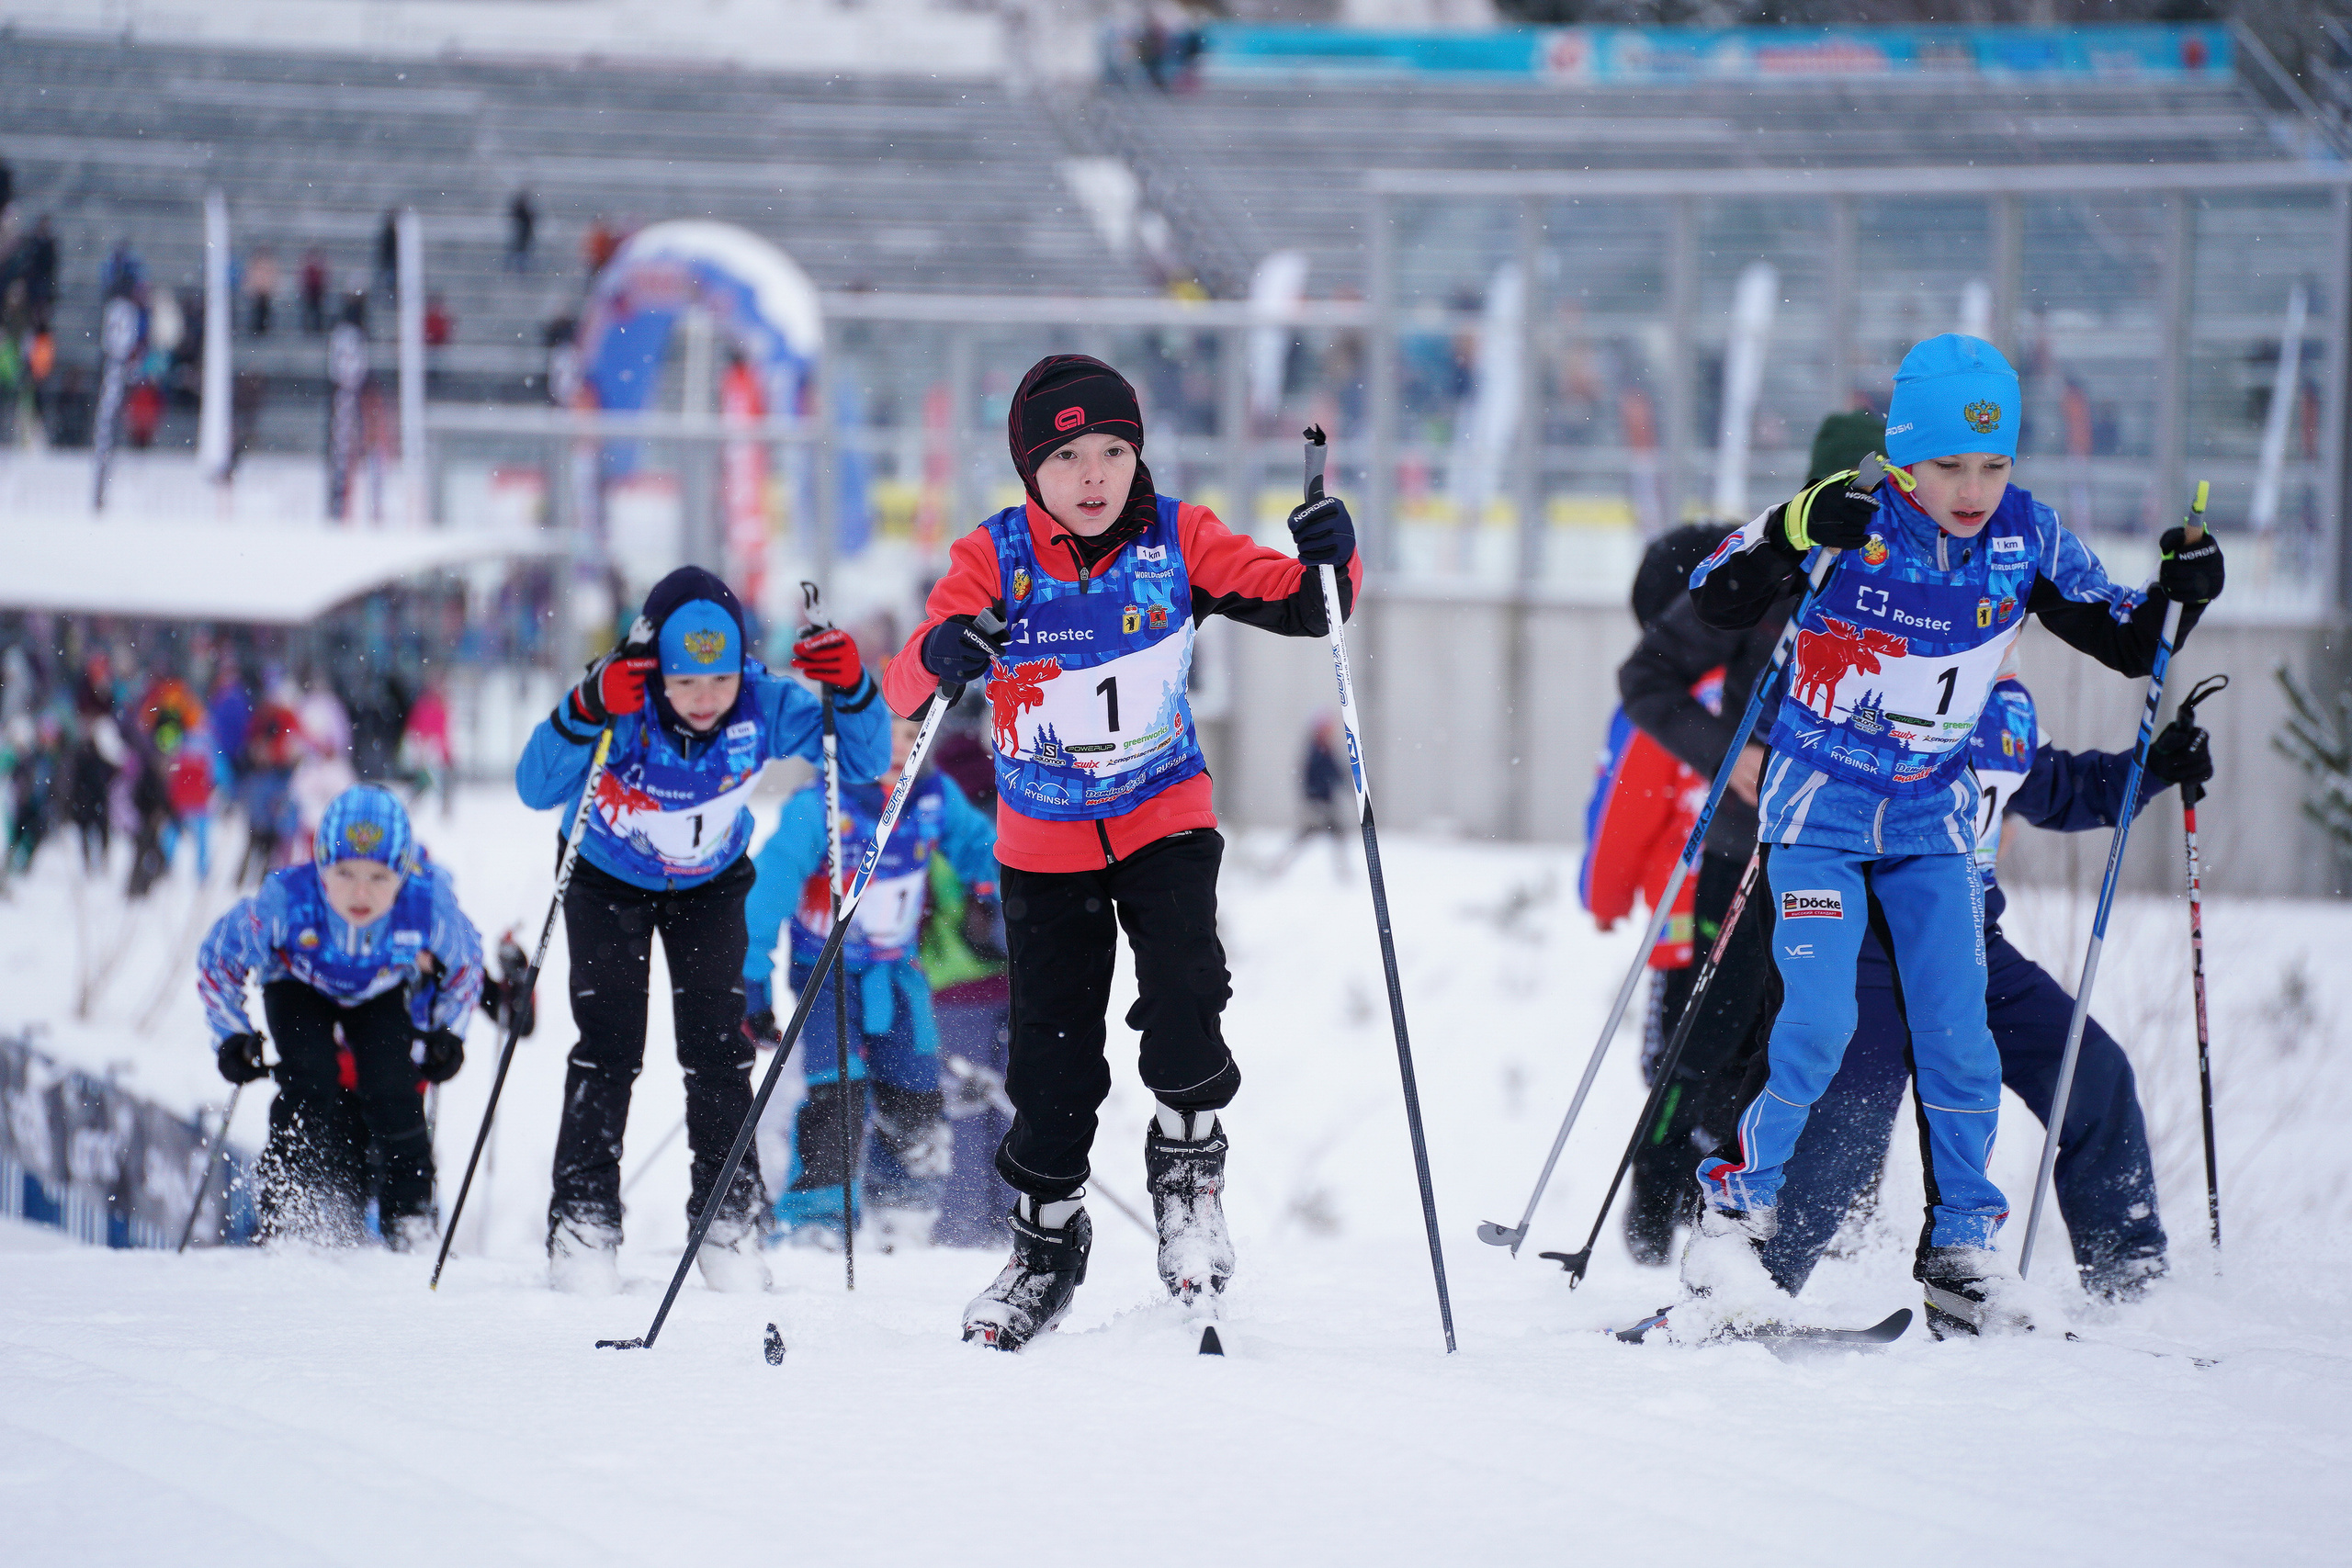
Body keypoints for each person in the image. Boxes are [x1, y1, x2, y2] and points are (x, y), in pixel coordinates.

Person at [1679, 334, 2226, 1336]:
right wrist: (1795, 527)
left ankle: (1961, 1251)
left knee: (1959, 1034)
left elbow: (2127, 637)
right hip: (1819, 813)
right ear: (1903, 455)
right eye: (1947, 465)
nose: (1973, 490)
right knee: (1816, 1025)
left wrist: (2181, 593)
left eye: (1993, 464)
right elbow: (1716, 593)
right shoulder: (1853, 517)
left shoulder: (2024, 536)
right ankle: (1733, 1222)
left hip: (1930, 822)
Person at [881, 354, 1363, 1349]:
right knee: (1052, 1060)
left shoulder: (1179, 537)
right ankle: (1043, 1247)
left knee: (1187, 993)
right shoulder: (994, 556)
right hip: (1044, 842)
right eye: (1066, 458)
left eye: (1111, 449)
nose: (1093, 474)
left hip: (1162, 816)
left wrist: (1333, 555)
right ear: (1030, 471)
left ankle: (1188, 1185)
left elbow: (1306, 603)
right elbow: (904, 685)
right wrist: (940, 653)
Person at [1754, 662, 2209, 1303]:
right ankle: (1755, 1287)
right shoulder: (1890, 677)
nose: (1999, 635)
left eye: (2013, 623)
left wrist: (2153, 766)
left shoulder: (2007, 708)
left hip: (1968, 941)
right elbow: (1781, 739)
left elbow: (2062, 789)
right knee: (1846, 1125)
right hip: (1863, 946)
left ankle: (2128, 1278)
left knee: (2090, 1071)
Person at [514, 567, 888, 1295]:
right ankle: (584, 1222)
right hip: (605, 874)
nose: (707, 698)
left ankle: (728, 1220)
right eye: (686, 682)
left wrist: (851, 687)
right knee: (609, 1045)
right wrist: (586, 705)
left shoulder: (762, 702)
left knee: (719, 1049)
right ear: (655, 668)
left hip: (709, 882)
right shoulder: (624, 698)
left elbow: (865, 759)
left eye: (721, 678)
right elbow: (535, 786)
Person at [741, 713, 1001, 1251]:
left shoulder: (933, 796)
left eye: (911, 736)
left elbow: (983, 849)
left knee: (915, 1085)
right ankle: (818, 1216)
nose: (897, 750)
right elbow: (769, 891)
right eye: (880, 736)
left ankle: (902, 1210)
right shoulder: (821, 804)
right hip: (828, 971)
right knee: (837, 1086)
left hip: (898, 970)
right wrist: (752, 978)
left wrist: (1005, 889)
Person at [196, 785, 482, 1247]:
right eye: (344, 872)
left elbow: (467, 966)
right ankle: (289, 1207)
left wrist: (449, 1032)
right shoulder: (288, 900)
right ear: (320, 865)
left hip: (379, 989)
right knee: (310, 1077)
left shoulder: (426, 905)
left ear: (403, 873)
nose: (360, 892)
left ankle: (410, 1216)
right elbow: (219, 958)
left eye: (379, 877)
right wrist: (232, 1035)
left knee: (394, 1085)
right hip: (298, 983)